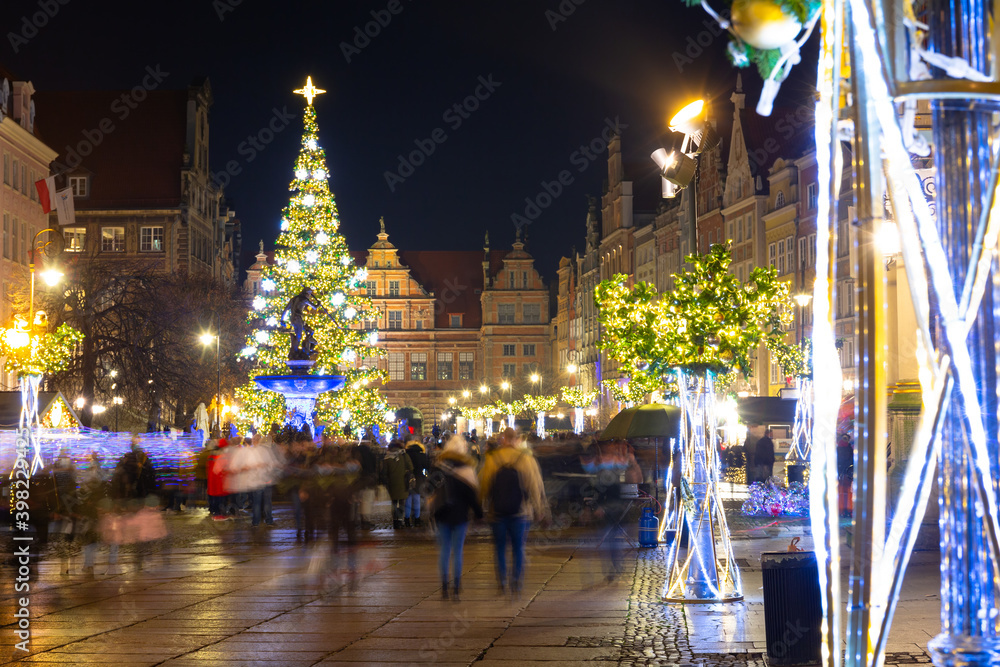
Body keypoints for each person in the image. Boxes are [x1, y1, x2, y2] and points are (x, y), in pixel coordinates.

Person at [478, 428, 548, 597]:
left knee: (500, 548)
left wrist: (480, 507)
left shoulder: (491, 459)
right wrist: (539, 509)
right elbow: (535, 485)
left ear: (503, 440)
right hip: (521, 512)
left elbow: (484, 485)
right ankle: (516, 581)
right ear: (516, 439)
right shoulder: (526, 458)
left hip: (497, 512)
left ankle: (502, 581)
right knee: (518, 548)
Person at [432, 435, 482, 601]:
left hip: (442, 514)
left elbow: (429, 492)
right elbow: (473, 495)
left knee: (444, 550)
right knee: (458, 551)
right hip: (460, 515)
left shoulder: (438, 467)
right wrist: (478, 513)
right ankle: (457, 586)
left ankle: (445, 586)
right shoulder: (467, 469)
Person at [382, 441, 413, 529]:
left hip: (392, 483)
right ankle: (400, 520)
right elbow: (411, 467)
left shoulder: (387, 458)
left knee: (394, 502)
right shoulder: (404, 455)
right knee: (402, 502)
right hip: (403, 482)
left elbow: (384, 472)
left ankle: (395, 521)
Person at [404, 439, 429, 528]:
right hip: (418, 479)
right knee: (417, 499)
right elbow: (427, 466)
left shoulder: (406, 455)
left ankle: (407, 519)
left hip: (407, 479)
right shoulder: (422, 455)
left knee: (408, 500)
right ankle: (417, 519)